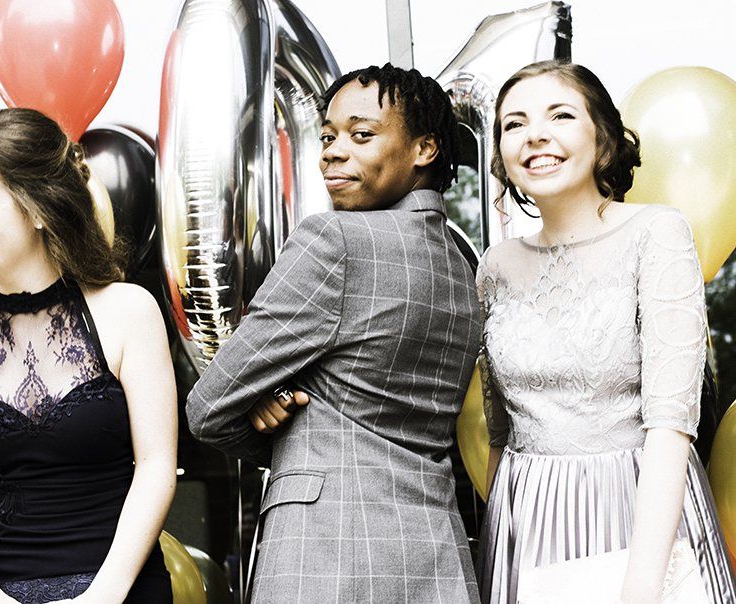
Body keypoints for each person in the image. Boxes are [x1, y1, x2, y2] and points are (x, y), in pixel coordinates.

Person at [187, 64, 482, 603]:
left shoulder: (335, 240)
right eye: (327, 136)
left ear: (425, 148)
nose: (332, 151)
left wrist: (278, 426)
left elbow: (208, 406)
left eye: (361, 134)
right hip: (436, 556)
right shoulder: (463, 265)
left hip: (324, 555)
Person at [477, 59, 736, 603]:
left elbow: (671, 424)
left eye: (560, 115)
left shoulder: (656, 232)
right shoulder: (494, 267)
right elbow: (499, 432)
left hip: (637, 509)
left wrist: (641, 585)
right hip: (526, 519)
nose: (535, 135)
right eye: (513, 123)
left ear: (604, 139)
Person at [0, 108, 177, 604]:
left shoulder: (129, 311)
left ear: (38, 208)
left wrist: (102, 596)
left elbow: (157, 468)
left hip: (117, 591)